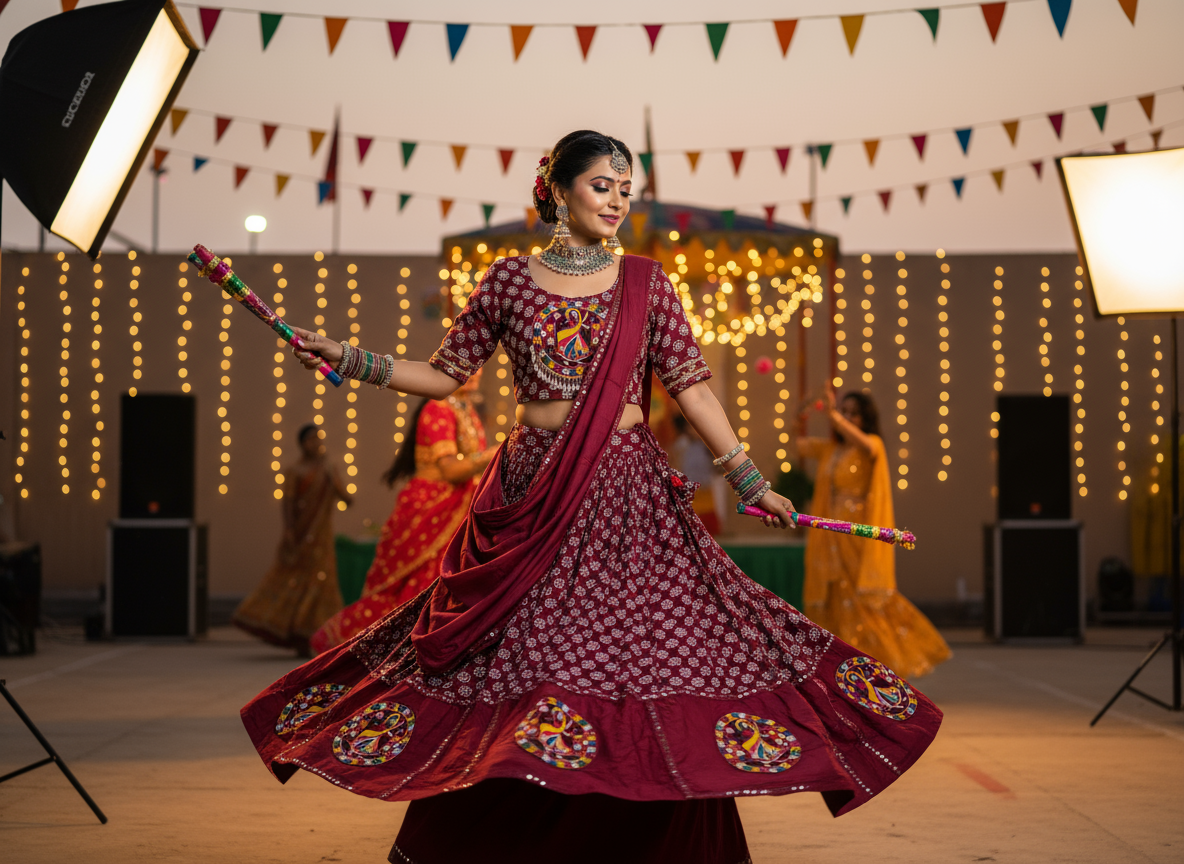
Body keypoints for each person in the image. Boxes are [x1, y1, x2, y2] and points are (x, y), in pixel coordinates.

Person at [240, 131, 942, 864]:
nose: (616, 202)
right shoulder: (509, 281)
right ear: (558, 187)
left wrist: (749, 479)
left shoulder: (647, 282)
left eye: (624, 190)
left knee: (637, 665)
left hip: (623, 497)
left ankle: (654, 841)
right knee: (522, 672)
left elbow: (692, 387)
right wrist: (350, 358)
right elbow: (445, 373)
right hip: (532, 494)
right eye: (603, 185)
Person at [309, 372, 496, 654]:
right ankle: (373, 647)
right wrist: (494, 454)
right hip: (430, 511)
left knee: (445, 584)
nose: (473, 373)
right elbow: (450, 469)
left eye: (478, 367)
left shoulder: (465, 409)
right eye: (466, 367)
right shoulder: (438, 409)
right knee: (418, 588)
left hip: (456, 509)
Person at [798, 389, 951, 679]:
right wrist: (800, 414)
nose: (847, 417)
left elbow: (865, 444)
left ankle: (888, 661)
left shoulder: (872, 445)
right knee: (837, 595)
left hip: (857, 532)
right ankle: (846, 667)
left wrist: (832, 415)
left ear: (865, 419)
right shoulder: (832, 450)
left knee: (865, 596)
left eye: (853, 412)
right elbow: (800, 446)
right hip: (832, 532)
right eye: (844, 411)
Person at [232, 424, 352, 656]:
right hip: (300, 537)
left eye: (318, 439)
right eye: (310, 439)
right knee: (294, 581)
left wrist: (334, 478)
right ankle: (294, 633)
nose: (316, 443)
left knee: (321, 584)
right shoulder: (295, 471)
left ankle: (317, 636)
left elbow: (347, 499)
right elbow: (287, 502)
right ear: (302, 444)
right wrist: (288, 530)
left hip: (322, 539)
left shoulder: (329, 469)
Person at [669, 412, 728, 535]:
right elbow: (676, 464)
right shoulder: (681, 445)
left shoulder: (706, 445)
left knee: (709, 528)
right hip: (689, 493)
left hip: (706, 491)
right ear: (686, 428)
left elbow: (717, 466)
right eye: (691, 427)